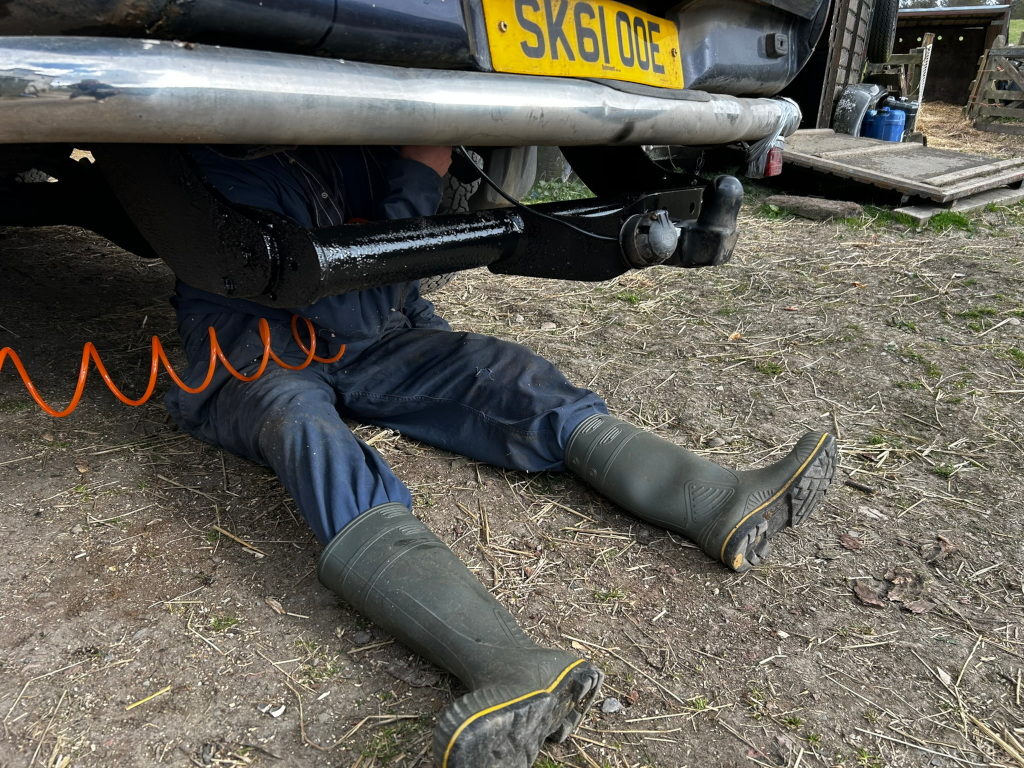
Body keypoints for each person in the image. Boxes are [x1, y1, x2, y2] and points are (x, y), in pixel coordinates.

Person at [165, 143, 837, 768]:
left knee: (506, 373)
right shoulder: (231, 154)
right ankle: (510, 666)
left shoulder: (355, 143)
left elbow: (386, 296)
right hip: (254, 354)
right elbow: (350, 307)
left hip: (366, 340)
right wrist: (419, 170)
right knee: (305, 435)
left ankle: (719, 499)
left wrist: (446, 347)